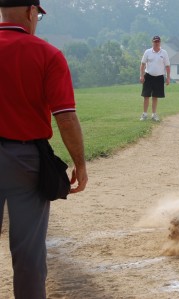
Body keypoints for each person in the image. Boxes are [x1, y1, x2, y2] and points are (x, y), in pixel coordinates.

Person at [0, 1, 88, 298]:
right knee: (28, 252)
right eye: (37, 14)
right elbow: (65, 115)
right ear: (29, 11)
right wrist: (80, 163)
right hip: (25, 160)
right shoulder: (47, 53)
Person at [139, 35, 171, 121]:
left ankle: (154, 114)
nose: (156, 43)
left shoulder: (164, 53)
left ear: (160, 42)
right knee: (146, 96)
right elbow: (142, 65)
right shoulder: (147, 52)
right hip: (148, 76)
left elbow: (167, 66)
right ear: (152, 42)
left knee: (155, 96)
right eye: (155, 42)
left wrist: (168, 78)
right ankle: (144, 114)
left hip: (159, 77)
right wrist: (141, 76)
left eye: (158, 42)